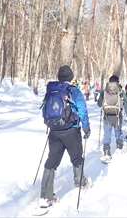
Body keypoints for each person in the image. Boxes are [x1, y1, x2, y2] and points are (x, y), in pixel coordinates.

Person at [39, 65, 91, 208]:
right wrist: (86, 127)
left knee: (52, 161)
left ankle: (45, 196)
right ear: (71, 77)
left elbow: (44, 109)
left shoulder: (51, 90)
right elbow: (82, 110)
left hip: (54, 131)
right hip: (71, 130)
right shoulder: (74, 91)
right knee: (77, 158)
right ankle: (79, 183)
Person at [97, 75, 127, 160]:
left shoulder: (104, 91)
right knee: (118, 131)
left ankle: (106, 151)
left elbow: (99, 104)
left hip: (107, 115)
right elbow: (126, 104)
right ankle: (119, 146)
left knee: (107, 133)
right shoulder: (121, 92)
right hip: (117, 115)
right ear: (117, 82)